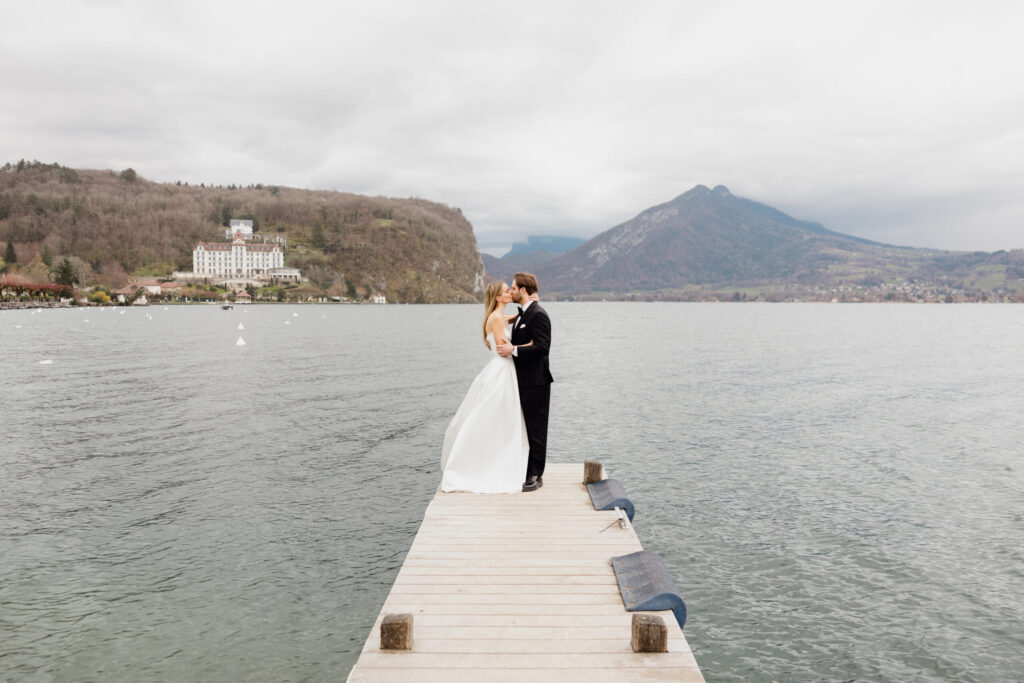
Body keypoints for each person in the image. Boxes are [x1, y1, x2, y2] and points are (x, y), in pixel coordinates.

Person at [440, 281, 529, 493]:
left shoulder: (496, 317)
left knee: (495, 417)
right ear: (499, 297)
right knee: (500, 418)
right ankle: (492, 463)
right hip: (502, 371)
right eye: (507, 290)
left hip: (497, 370)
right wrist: (529, 346)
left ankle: (489, 457)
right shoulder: (496, 318)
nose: (510, 292)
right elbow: (502, 349)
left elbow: (506, 321)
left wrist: (521, 313)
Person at [496, 272, 553, 492]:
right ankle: (526, 468)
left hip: (536, 381)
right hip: (521, 381)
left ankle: (536, 475)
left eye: (513, 287)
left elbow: (542, 347)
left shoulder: (539, 315)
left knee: (537, 429)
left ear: (523, 290)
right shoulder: (521, 315)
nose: (510, 291)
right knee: (525, 427)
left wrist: (514, 350)